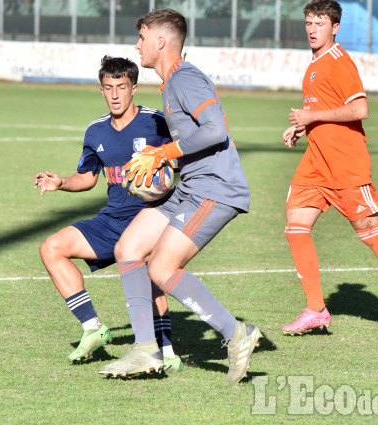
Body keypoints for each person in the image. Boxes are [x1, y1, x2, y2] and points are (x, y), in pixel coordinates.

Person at [96, 9, 261, 383]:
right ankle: (145, 349)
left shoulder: (185, 78)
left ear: (160, 41)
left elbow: (216, 130)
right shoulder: (171, 83)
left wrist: (163, 153)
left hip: (215, 189)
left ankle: (237, 333)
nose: (137, 45)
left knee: (162, 268)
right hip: (188, 188)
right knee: (129, 248)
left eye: (141, 37)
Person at [281, 0, 378, 338]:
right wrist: (302, 126)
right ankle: (316, 309)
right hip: (316, 162)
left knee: (369, 230)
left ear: (335, 27)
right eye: (309, 23)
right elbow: (323, 106)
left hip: (345, 163)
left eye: (320, 23)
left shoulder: (338, 62)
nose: (313, 29)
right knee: (295, 226)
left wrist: (311, 116)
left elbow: (359, 109)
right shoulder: (314, 63)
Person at [35, 56, 182, 372]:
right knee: (51, 248)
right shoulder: (96, 131)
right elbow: (88, 178)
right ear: (101, 89)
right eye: (108, 87)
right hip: (112, 219)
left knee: (148, 273)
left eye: (121, 87)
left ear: (134, 88)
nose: (115, 94)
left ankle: (166, 350)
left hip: (150, 218)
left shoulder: (156, 123)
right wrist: (60, 182)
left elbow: (184, 158)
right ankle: (92, 327)